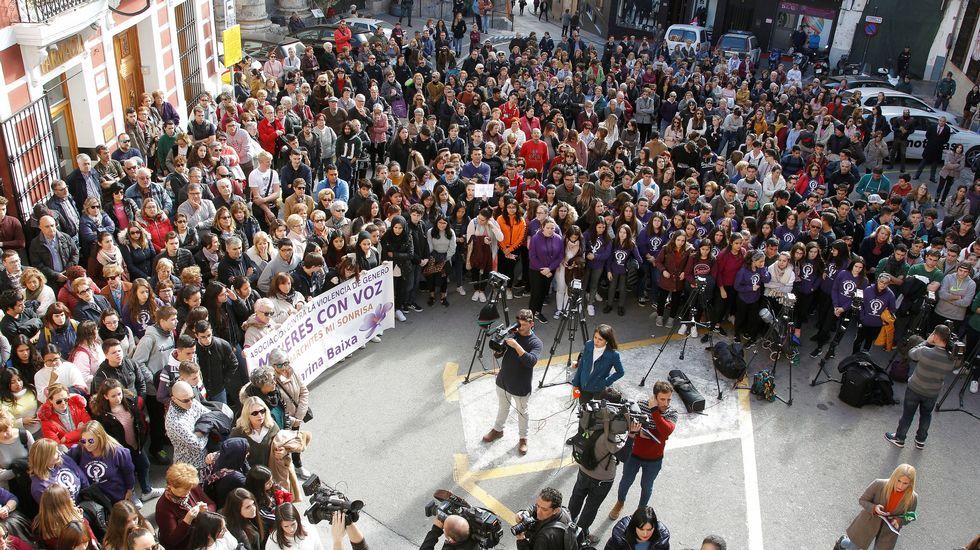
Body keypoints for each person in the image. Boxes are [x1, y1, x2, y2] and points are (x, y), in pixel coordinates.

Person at [567, 387, 635, 545]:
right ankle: (581, 535)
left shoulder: (588, 418)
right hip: (602, 479)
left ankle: (566, 525)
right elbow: (623, 456)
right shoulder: (609, 433)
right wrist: (631, 436)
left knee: (576, 499)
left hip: (583, 470)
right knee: (591, 508)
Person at [608, 380, 676, 519]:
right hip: (634, 455)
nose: (666, 403)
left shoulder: (671, 413)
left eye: (668, 399)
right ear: (654, 397)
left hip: (654, 459)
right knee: (626, 481)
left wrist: (654, 411)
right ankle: (620, 503)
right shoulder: (640, 406)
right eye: (662, 399)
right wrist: (639, 433)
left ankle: (640, 511)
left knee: (647, 486)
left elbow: (666, 431)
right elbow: (628, 424)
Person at [885, 324, 958, 449]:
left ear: (935, 336)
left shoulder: (925, 351)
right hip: (932, 392)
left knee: (908, 414)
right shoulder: (952, 359)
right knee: (926, 415)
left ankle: (900, 438)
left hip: (915, 388)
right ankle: (920, 440)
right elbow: (956, 365)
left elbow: (911, 353)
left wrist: (925, 342)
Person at [481, 309, 542, 456]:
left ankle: (523, 438)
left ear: (531, 324)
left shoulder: (536, 342)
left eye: (523, 323)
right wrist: (500, 345)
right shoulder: (512, 334)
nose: (520, 326)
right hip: (503, 381)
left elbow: (531, 362)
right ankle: (498, 430)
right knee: (503, 408)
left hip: (521, 386)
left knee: (522, 413)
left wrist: (516, 345)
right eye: (518, 322)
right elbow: (498, 354)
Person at [834, 464, 918, 550]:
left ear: (911, 483)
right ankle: (842, 542)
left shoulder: (913, 498)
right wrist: (874, 508)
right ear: (894, 477)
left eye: (905, 483)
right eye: (898, 481)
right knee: (853, 547)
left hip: (888, 531)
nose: (900, 486)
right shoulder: (879, 484)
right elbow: (862, 500)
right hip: (868, 523)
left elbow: (909, 516)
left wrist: (899, 520)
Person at [67, 420, 136, 506]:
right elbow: (64, 462)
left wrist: (130, 490)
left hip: (118, 499)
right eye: (83, 441)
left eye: (90, 441)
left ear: (100, 438)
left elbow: (128, 472)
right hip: (95, 501)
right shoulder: (78, 451)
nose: (87, 444)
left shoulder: (117, 452)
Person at [155, 462, 217, 550]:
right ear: (171, 486)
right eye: (184, 490)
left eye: (189, 489)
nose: (188, 492)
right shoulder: (163, 507)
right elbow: (171, 540)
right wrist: (187, 520)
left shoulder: (191, 487)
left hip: (199, 538)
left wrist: (206, 511)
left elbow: (211, 504)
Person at [570, 324, 625, 403]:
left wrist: (606, 382)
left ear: (607, 340)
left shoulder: (613, 355)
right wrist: (575, 384)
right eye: (595, 337)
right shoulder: (589, 345)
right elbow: (582, 365)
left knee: (597, 412)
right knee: (583, 409)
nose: (596, 341)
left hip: (598, 388)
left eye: (600, 339)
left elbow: (620, 372)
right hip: (584, 385)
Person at [165, 381, 210, 470]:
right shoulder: (175, 422)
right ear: (174, 399)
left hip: (205, 460)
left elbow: (208, 415)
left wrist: (200, 433)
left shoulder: (189, 400)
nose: (190, 402)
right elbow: (198, 445)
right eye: (186, 400)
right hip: (189, 467)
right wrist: (206, 428)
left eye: (192, 398)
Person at [603, 506, 670, 550]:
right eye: (641, 529)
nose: (645, 533)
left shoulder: (661, 542)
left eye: (649, 529)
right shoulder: (619, 540)